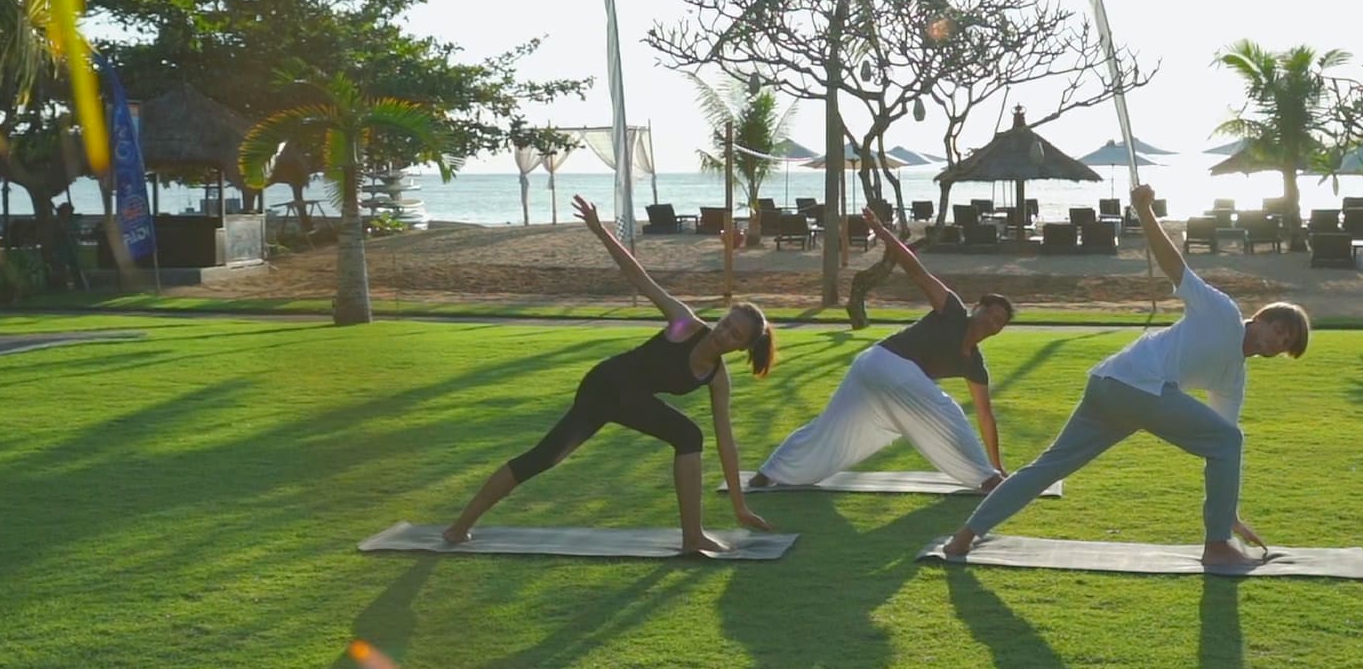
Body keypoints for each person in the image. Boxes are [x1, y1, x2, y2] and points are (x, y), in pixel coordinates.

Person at [942, 183, 1311, 564]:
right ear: (1262, 318)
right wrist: (1144, 210)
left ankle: (963, 537)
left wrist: (1228, 512)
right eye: (1279, 331)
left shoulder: (1233, 377)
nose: (1277, 342)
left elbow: (1221, 448)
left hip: (1112, 386)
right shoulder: (1222, 312)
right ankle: (1216, 547)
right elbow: (1173, 265)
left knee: (1047, 469)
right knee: (1226, 441)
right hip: (1134, 387)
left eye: (1285, 344)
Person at [442, 195, 778, 553]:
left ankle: (692, 537)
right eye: (726, 323)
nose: (723, 333)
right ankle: (459, 527)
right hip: (605, 385)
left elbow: (726, 442)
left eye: (734, 335)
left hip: (629, 398)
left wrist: (739, 505)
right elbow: (640, 278)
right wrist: (601, 232)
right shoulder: (684, 323)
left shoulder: (717, 378)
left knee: (687, 436)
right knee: (546, 457)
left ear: (741, 348)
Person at [749, 208, 1014, 493]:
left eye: (999, 322)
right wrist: (884, 232)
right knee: (946, 410)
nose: (992, 323)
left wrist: (997, 462)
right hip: (885, 362)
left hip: (875, 370)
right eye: (990, 314)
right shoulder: (952, 311)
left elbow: (986, 416)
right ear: (977, 308)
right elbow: (916, 270)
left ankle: (768, 473)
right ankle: (987, 479)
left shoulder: (974, 364)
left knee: (829, 430)